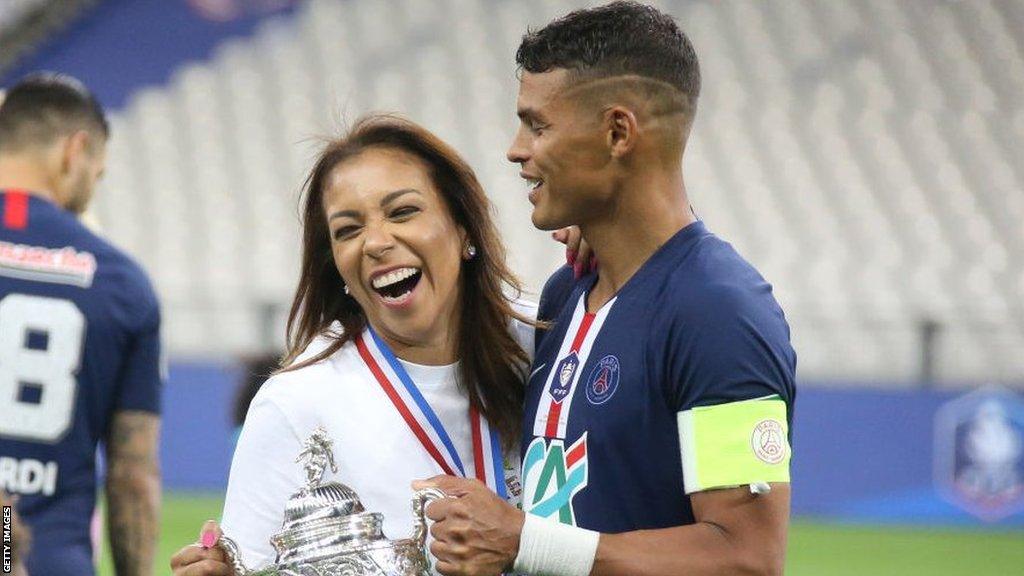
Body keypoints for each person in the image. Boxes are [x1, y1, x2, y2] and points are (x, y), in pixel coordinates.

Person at [416, 3, 797, 576]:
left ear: (618, 132)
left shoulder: (719, 312)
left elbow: (745, 557)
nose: (516, 149)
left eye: (537, 124)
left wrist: (524, 542)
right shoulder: (565, 296)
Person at [170, 115, 542, 575]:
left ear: (464, 227)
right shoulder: (295, 403)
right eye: (348, 230)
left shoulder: (550, 348)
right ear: (337, 267)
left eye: (403, 212)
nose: (376, 242)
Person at [0, 73, 163, 575]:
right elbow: (132, 476)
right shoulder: (121, 281)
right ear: (76, 151)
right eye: (98, 172)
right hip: (54, 558)